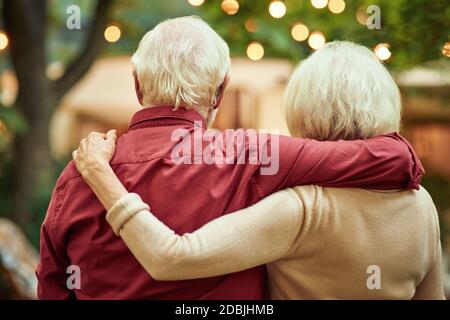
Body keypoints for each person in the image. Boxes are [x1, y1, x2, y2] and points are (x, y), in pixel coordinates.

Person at [38, 16, 422, 299]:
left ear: (138, 87)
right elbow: (394, 160)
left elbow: (52, 286)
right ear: (221, 92)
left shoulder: (82, 171)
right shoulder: (254, 155)